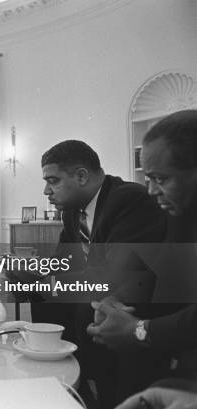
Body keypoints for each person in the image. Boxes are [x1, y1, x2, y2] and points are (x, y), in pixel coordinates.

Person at [9, 140, 167, 409]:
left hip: (135, 302)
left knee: (77, 300)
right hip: (97, 293)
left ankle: (97, 391)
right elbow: (63, 263)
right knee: (42, 292)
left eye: (53, 181)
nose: (46, 190)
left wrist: (51, 280)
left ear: (81, 176)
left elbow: (115, 273)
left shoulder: (129, 199)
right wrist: (33, 271)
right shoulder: (72, 213)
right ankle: (59, 375)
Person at [88, 110, 197, 383]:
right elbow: (162, 274)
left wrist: (140, 331)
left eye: (161, 179)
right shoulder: (180, 215)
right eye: (148, 179)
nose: (150, 191)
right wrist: (116, 303)